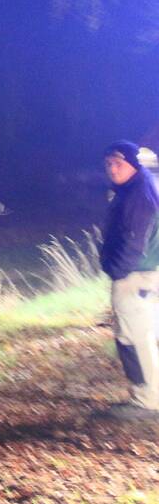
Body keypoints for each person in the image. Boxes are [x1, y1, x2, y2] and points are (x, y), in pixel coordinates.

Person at [100, 141, 159, 420]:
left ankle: (147, 400)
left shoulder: (139, 196)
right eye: (108, 164)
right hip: (141, 275)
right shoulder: (135, 189)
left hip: (136, 277)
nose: (112, 169)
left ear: (133, 165)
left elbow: (135, 241)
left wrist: (117, 270)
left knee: (135, 338)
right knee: (141, 336)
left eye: (118, 163)